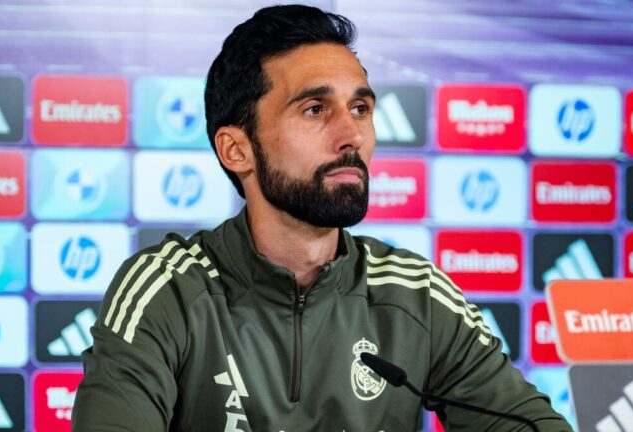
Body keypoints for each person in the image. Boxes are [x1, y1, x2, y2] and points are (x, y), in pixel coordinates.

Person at [72, 4, 573, 431]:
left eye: (360, 108)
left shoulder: (415, 294)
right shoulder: (168, 289)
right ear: (237, 149)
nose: (351, 135)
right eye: (315, 109)